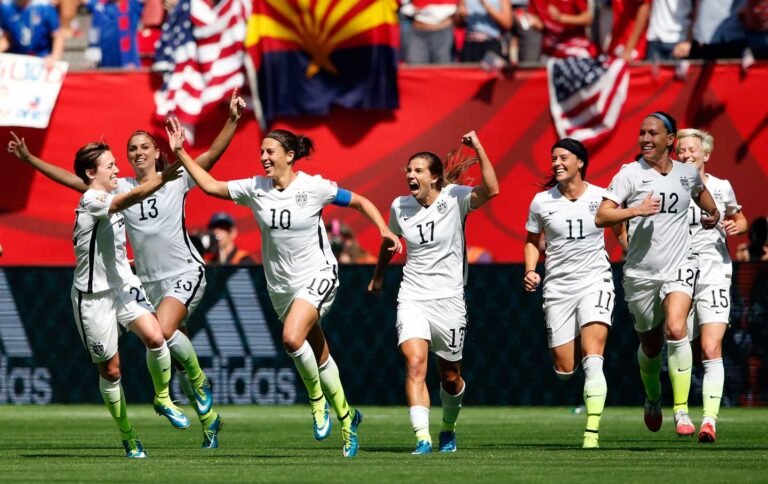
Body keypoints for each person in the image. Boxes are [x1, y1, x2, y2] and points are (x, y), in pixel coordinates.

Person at [6, 90, 247, 449]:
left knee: (161, 335)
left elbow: (210, 156)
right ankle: (207, 416)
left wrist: (231, 120)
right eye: (131, 148)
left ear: (156, 150)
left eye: (143, 146)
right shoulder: (117, 189)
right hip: (142, 281)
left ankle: (192, 387)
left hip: (183, 271)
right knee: (161, 346)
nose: (135, 153)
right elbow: (75, 181)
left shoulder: (176, 176)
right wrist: (31, 159)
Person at [167, 120, 402, 458]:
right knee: (319, 354)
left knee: (292, 338)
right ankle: (349, 419)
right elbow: (209, 186)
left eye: (270, 151)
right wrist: (180, 153)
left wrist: (384, 230)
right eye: (261, 151)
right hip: (281, 287)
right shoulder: (255, 188)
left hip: (318, 275)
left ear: (290, 156)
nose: (263, 156)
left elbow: (360, 201)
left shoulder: (314, 187)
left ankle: (317, 402)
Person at [7, 137, 189, 457]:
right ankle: (128, 435)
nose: (119, 168)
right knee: (112, 371)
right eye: (111, 165)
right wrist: (165, 175)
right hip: (92, 298)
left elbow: (69, 177)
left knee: (157, 336)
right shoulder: (94, 199)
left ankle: (163, 398)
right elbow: (126, 199)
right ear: (93, 174)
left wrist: (30, 158)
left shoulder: (109, 189)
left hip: (123, 285)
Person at [368, 131, 500, 454]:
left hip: (450, 300)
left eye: (418, 171)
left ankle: (448, 429)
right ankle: (422, 438)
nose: (411, 176)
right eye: (409, 170)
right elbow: (389, 243)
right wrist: (379, 275)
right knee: (415, 364)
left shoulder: (455, 198)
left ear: (435, 177)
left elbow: (493, 189)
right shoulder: (400, 206)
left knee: (451, 377)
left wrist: (479, 146)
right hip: (412, 296)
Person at [595, 111, 721, 437]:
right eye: (642, 133)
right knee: (650, 348)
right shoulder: (629, 174)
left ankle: (681, 410)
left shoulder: (686, 174)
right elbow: (601, 216)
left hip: (680, 264)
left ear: (670, 140)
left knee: (677, 328)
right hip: (640, 273)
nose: (646, 139)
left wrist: (713, 212)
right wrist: (635, 210)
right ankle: (653, 397)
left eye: (653, 133)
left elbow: (702, 196)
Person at [524, 138, 627, 449]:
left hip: (595, 281)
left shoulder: (602, 198)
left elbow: (620, 233)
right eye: (553, 158)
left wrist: (632, 254)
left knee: (593, 358)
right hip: (557, 289)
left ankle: (591, 432)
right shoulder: (541, 201)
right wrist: (530, 270)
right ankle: (576, 369)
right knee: (565, 368)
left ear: (580, 162)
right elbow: (531, 239)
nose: (556, 163)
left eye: (563, 157)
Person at [677, 129, 748, 443]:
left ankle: (709, 421)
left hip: (715, 273)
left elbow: (740, 218)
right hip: (678, 274)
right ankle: (679, 410)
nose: (687, 155)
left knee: (711, 347)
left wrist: (735, 224)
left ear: (706, 155)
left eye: (692, 150)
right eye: (682, 151)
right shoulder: (668, 188)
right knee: (683, 344)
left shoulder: (721, 187)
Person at [0, 0, 64, 64]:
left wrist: (54, 57)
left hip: (42, 57)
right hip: (18, 58)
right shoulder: (6, 8)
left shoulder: (45, 7)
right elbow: (7, 37)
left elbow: (57, 36)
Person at [525, 0, 596, 59]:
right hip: (551, 50)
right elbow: (541, 25)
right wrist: (534, 23)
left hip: (575, 47)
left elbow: (588, 19)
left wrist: (562, 18)